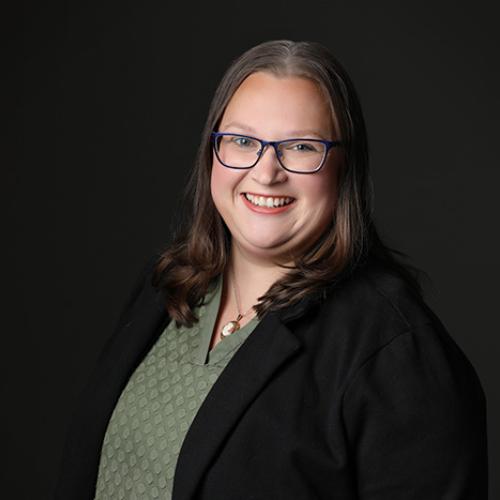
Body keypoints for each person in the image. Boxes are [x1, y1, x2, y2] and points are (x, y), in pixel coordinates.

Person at [53, 40, 488, 500]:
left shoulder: (396, 352)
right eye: (242, 141)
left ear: (344, 167)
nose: (266, 173)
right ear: (211, 153)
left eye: (301, 147)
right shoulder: (167, 287)